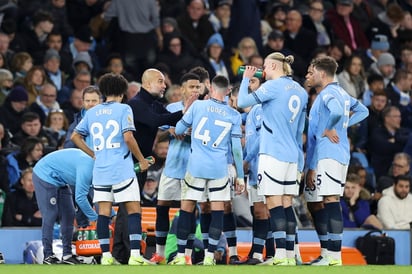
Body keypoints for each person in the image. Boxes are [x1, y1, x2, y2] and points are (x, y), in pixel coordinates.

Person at [110, 68, 195, 264]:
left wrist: (176, 126)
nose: (164, 85)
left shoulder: (153, 104)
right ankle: (124, 254)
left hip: (137, 163)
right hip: (128, 162)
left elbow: (167, 120)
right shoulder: (136, 104)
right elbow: (155, 121)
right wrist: (182, 112)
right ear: (147, 84)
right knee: (129, 207)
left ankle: (120, 254)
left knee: (128, 206)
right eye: (160, 81)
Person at [71, 73, 152, 266]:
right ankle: (134, 256)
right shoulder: (124, 109)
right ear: (123, 92)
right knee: (133, 210)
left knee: (103, 213)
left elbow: (75, 136)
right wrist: (141, 160)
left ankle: (106, 256)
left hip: (101, 170)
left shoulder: (92, 112)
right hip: (122, 168)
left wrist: (93, 154)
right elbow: (128, 138)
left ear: (103, 92)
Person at [238, 52, 308, 266]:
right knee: (287, 204)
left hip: (273, 153)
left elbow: (242, 101)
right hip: (292, 155)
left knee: (273, 203)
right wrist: (300, 160)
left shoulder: (273, 86)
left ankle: (279, 256)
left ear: (273, 66)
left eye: (265, 67)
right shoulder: (300, 90)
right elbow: (299, 131)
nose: (263, 71)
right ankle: (288, 255)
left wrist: (244, 79)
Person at [170, 75, 244, 266]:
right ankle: (210, 256)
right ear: (227, 92)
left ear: (210, 88)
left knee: (187, 208)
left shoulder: (197, 106)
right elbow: (236, 149)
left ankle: (181, 256)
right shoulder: (234, 115)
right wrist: (241, 176)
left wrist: (188, 113)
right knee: (217, 211)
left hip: (196, 166)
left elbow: (178, 128)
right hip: (219, 168)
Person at [304, 56, 369, 266]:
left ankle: (334, 256)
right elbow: (364, 110)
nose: (311, 75)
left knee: (331, 201)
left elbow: (335, 112)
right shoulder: (342, 92)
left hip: (330, 154)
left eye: (313, 72)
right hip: (334, 154)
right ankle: (329, 254)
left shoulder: (328, 93)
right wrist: (344, 124)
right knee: (324, 200)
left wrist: (334, 126)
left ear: (322, 74)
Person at [149, 72, 201, 264]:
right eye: (191, 87)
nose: (195, 90)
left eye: (198, 87)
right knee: (161, 207)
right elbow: (157, 133)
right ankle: (160, 254)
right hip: (172, 165)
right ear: (182, 89)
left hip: (193, 167)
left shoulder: (204, 109)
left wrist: (192, 132)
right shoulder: (171, 108)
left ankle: (185, 255)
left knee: (188, 211)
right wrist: (170, 129)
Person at [32, 148, 97, 264]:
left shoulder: (95, 169)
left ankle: (67, 255)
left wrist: (111, 215)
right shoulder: (88, 168)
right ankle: (48, 255)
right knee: (51, 214)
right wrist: (95, 217)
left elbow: (97, 196)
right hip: (44, 174)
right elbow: (80, 198)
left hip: (61, 180)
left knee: (69, 214)